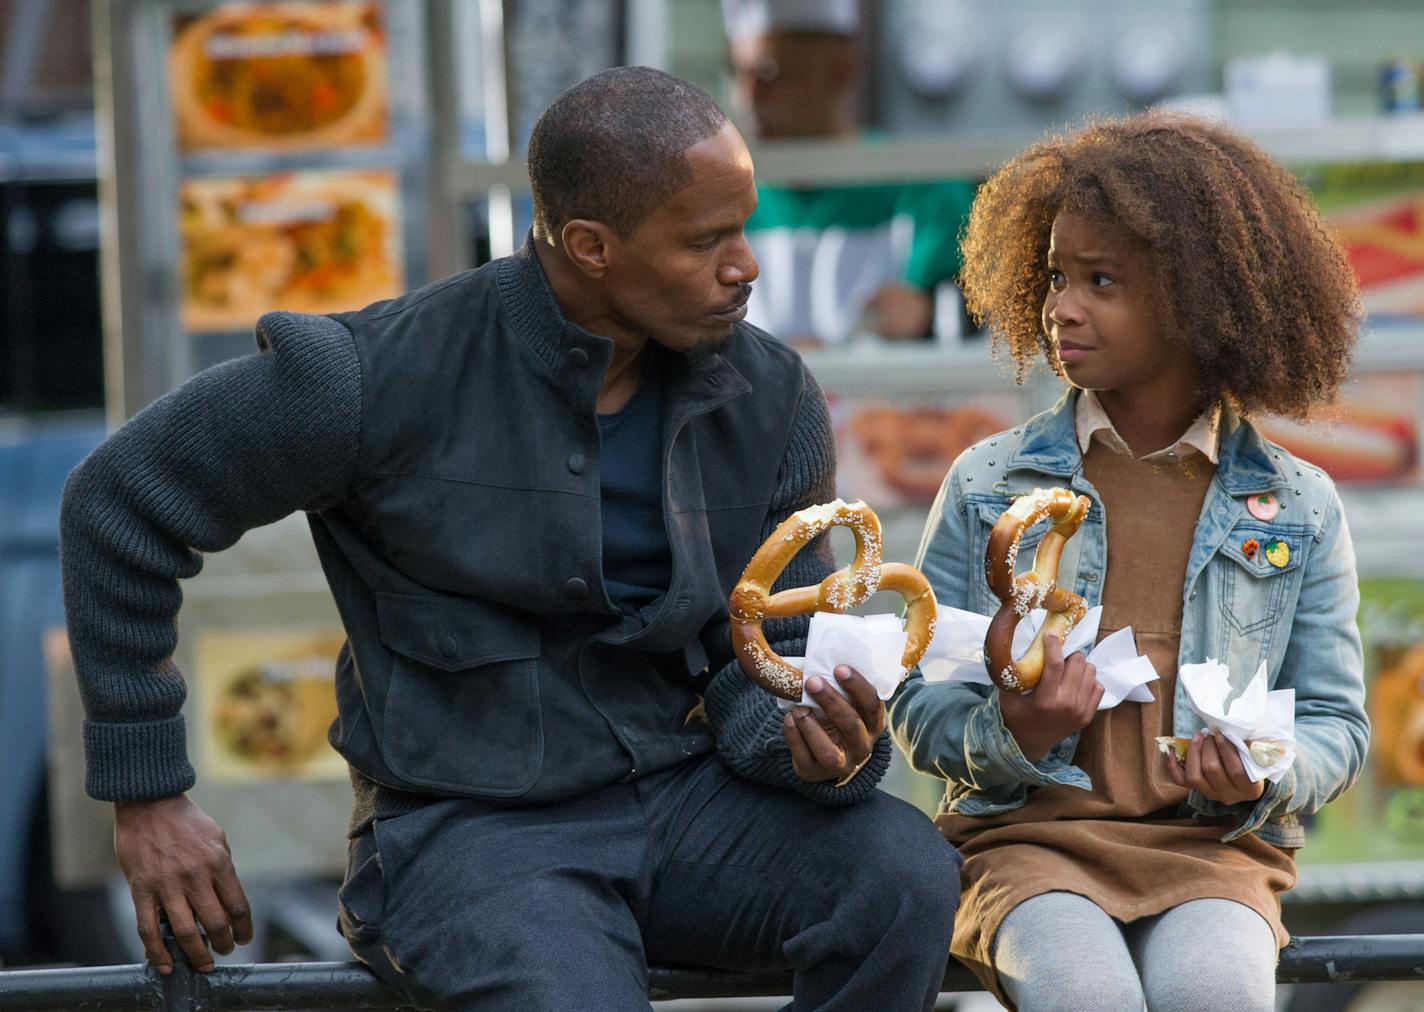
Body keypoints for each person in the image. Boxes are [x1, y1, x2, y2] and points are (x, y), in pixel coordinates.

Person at [58, 67, 960, 1011]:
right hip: (466, 832)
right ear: (590, 246)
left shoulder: (774, 398)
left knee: (902, 878)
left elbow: (761, 664)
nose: (748, 264)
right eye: (707, 240)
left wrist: (812, 744)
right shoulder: (372, 376)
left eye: (744, 225)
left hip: (689, 804)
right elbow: (117, 505)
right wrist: (148, 793)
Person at [888, 111, 1369, 1011]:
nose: (1061, 306)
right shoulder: (989, 482)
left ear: (1200, 300)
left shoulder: (1298, 504)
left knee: (1216, 995)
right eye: (1057, 275)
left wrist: (1265, 769)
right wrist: (1019, 731)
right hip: (1026, 847)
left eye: (1101, 280)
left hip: (1213, 852)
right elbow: (921, 707)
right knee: (1085, 998)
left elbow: (1339, 724)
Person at [722, 0, 975, 347]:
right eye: (739, 73)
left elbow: (979, 323)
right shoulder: (721, 197)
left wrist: (927, 316)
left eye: (770, 73)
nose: (747, 96)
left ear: (842, 70)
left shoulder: (922, 186)